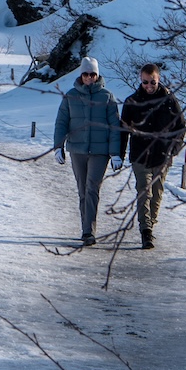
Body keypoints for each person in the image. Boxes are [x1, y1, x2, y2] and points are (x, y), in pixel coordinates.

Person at [53, 58, 122, 245]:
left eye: (93, 74)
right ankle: (86, 226)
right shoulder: (71, 96)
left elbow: (115, 126)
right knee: (82, 190)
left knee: (92, 188)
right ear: (81, 75)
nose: (90, 77)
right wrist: (58, 146)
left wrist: (115, 153)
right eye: (86, 74)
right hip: (77, 150)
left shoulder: (107, 97)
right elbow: (61, 123)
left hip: (100, 152)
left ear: (98, 75)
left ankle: (88, 231)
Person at [121, 62, 186, 249]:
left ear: (158, 80)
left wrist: (173, 149)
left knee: (157, 193)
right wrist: (118, 154)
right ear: (140, 81)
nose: (149, 86)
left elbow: (180, 128)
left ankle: (151, 224)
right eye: (145, 82)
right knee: (144, 192)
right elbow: (123, 130)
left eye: (152, 82)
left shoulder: (169, 101)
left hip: (162, 155)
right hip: (140, 156)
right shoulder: (132, 102)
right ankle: (146, 230)